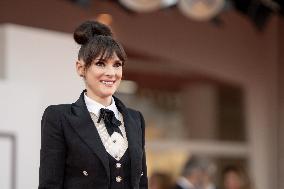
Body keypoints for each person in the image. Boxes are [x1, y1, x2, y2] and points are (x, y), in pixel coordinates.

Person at [38, 20, 148, 189]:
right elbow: (50, 184)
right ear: (81, 68)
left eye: (117, 65)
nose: (111, 73)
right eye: (100, 64)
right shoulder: (59, 117)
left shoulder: (135, 119)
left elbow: (141, 183)